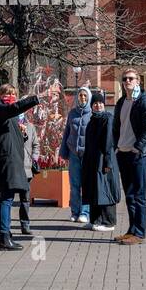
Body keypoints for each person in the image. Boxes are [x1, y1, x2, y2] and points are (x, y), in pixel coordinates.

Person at [0, 83, 39, 251]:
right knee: (7, 199)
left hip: (13, 160)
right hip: (6, 161)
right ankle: (4, 237)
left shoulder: (7, 112)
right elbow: (13, 109)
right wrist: (34, 99)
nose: (10, 96)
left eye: (13, 93)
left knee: (9, 198)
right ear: (0, 95)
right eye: (7, 93)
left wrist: (21, 133)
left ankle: (7, 235)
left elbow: (9, 135)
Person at [113, 68, 146, 246]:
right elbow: (116, 127)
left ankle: (139, 233)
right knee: (129, 195)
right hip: (122, 153)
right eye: (125, 79)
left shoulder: (144, 102)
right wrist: (117, 146)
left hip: (138, 154)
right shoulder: (121, 102)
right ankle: (132, 230)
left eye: (131, 78)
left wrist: (137, 148)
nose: (127, 81)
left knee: (139, 194)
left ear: (138, 81)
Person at [79, 89, 120, 232]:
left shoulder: (107, 119)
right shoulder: (92, 120)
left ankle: (109, 222)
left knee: (105, 189)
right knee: (94, 190)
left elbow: (109, 142)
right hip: (92, 161)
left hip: (104, 160)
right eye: (95, 103)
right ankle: (95, 219)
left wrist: (108, 162)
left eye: (100, 103)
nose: (98, 106)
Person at [59, 87, 92, 224]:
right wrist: (63, 151)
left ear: (89, 97)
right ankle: (75, 211)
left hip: (87, 154)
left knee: (86, 184)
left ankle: (85, 212)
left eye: (85, 96)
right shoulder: (72, 113)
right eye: (80, 96)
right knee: (74, 185)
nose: (82, 98)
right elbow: (66, 132)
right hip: (73, 153)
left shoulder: (92, 113)